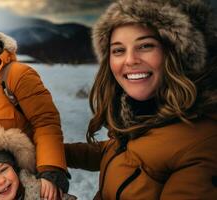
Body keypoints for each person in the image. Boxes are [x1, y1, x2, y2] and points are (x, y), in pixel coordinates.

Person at [64, 0, 217, 199]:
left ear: (178, 54)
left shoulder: (203, 144)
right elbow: (120, 152)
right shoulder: (143, 115)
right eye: (118, 50)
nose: (129, 60)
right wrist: (43, 150)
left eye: (145, 45)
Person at [0, 15, 69, 199]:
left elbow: (46, 122)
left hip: (28, 170)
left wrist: (50, 169)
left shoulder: (18, 74)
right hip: (0, 172)